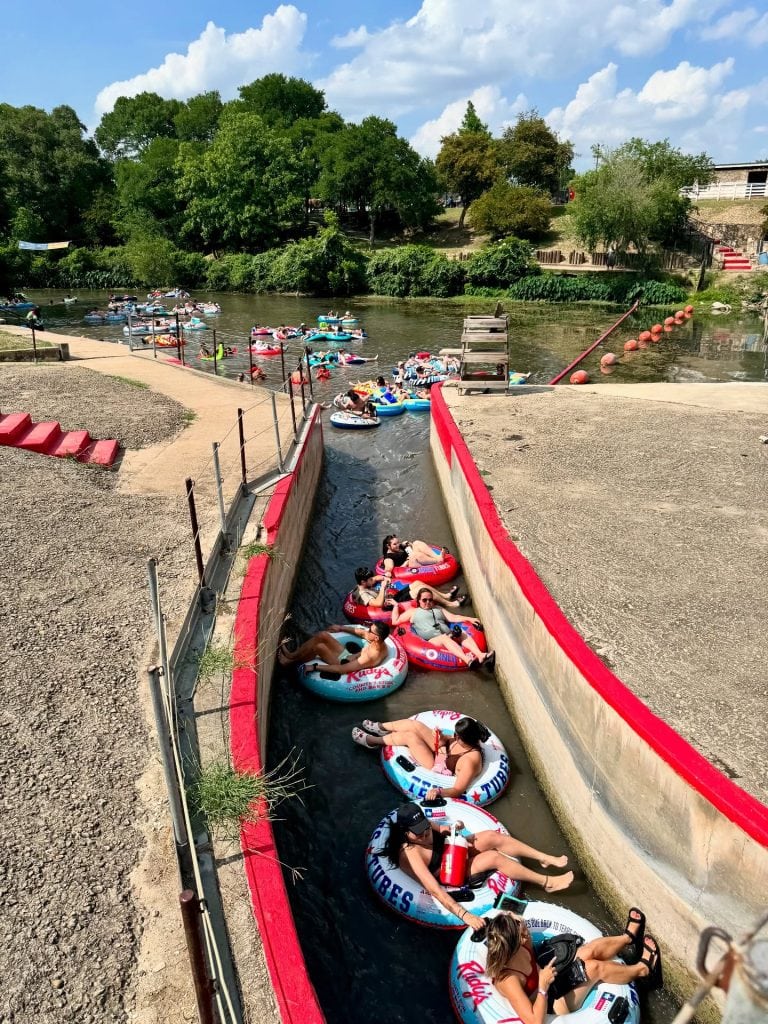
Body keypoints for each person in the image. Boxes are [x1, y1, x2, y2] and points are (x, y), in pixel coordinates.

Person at [383, 802, 574, 931]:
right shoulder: (410, 853)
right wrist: (465, 915)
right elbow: (433, 889)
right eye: (418, 833)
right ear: (405, 832)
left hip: (452, 851)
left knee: (492, 836)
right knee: (493, 857)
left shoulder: (422, 826)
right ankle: (546, 882)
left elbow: (442, 829)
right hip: (450, 872)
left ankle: (544, 858)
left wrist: (455, 826)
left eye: (425, 828)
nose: (425, 834)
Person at [483, 907, 661, 1021]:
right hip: (550, 1005)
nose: (520, 922)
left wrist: (545, 978)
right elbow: (533, 1021)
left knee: (588, 951)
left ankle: (627, 938)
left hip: (551, 981)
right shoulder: (507, 979)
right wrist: (543, 985)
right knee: (594, 967)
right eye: (516, 923)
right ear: (515, 941)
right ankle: (644, 970)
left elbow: (525, 937)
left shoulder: (522, 945)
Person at [352, 715, 489, 800]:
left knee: (410, 737)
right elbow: (448, 740)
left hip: (438, 767)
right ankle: (381, 727)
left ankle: (371, 741)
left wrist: (438, 791)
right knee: (414, 725)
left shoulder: (470, 761)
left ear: (465, 738)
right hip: (442, 752)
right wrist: (440, 738)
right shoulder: (460, 740)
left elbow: (458, 789)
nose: (454, 736)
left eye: (457, 735)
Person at [392, 589, 495, 670]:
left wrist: (470, 618)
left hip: (448, 635)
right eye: (424, 600)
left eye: (430, 599)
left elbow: (453, 618)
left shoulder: (438, 609)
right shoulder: (413, 612)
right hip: (432, 641)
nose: (428, 602)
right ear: (418, 600)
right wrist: (396, 606)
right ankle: (468, 660)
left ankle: (480, 655)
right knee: (443, 638)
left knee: (461, 632)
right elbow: (395, 621)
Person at [277, 622, 391, 675]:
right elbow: (362, 633)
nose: (368, 631)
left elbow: (342, 670)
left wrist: (314, 667)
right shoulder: (378, 641)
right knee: (323, 635)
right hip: (349, 656)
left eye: (370, 630)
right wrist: (341, 628)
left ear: (376, 637)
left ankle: (289, 662)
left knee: (319, 647)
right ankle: (292, 655)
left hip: (342, 664)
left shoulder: (371, 655)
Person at [352, 567, 466, 612]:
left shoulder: (364, 583)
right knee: (421, 590)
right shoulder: (363, 594)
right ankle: (451, 604)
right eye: (370, 579)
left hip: (391, 597)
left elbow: (377, 577)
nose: (373, 580)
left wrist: (384, 578)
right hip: (389, 605)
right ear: (363, 582)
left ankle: (445, 595)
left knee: (417, 583)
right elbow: (377, 603)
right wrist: (382, 587)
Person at [381, 534, 446, 571]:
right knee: (413, 555)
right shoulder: (388, 558)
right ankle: (437, 561)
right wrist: (406, 562)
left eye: (398, 542)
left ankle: (437, 557)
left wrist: (408, 544)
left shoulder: (398, 548)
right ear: (388, 546)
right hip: (408, 568)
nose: (398, 545)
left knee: (416, 543)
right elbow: (389, 569)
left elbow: (410, 547)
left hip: (413, 561)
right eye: (395, 544)